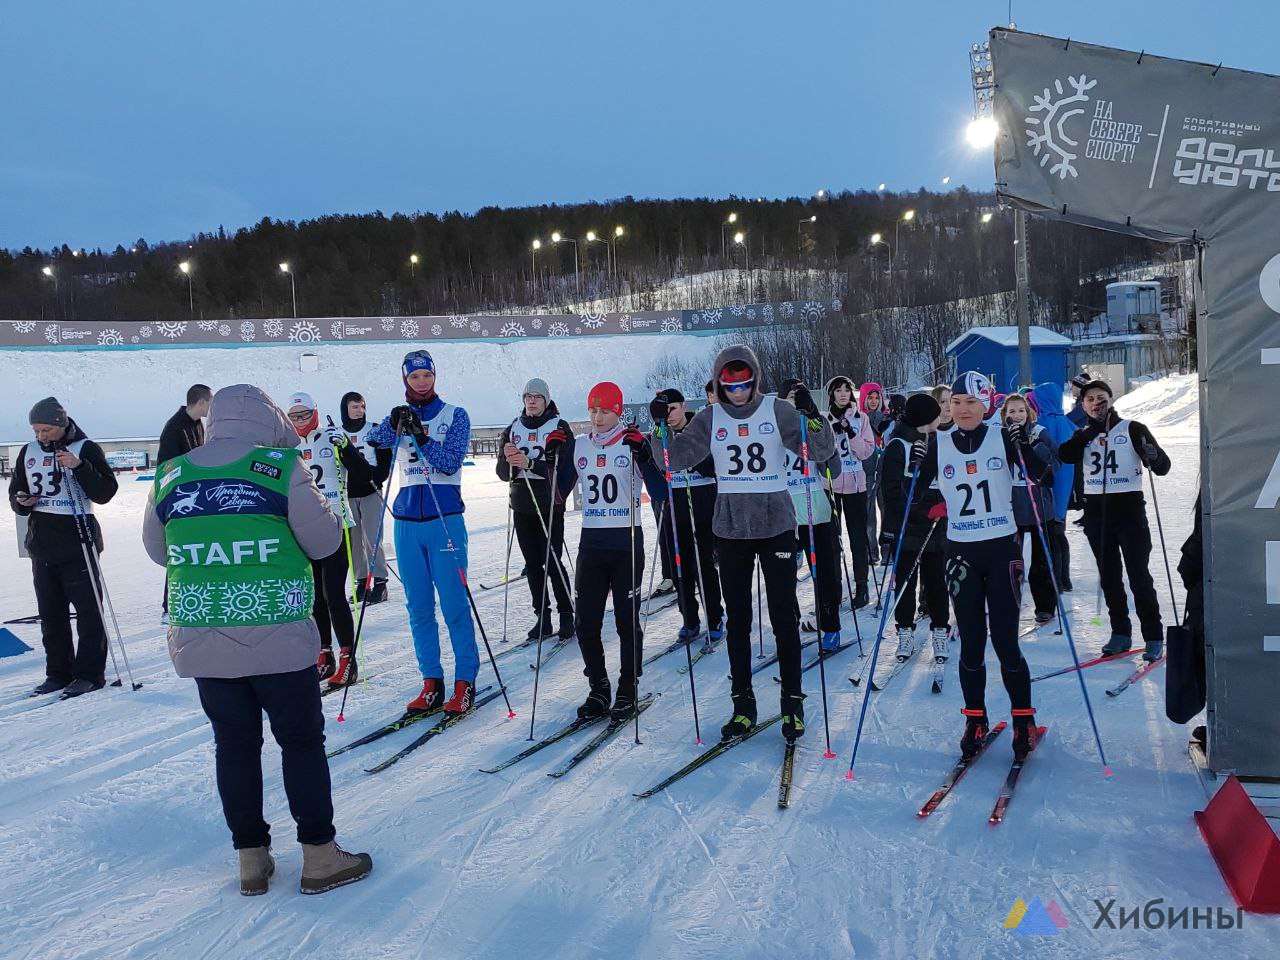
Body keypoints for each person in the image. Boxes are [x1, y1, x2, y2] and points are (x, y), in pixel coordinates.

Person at [143, 384, 372, 896]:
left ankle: (251, 859)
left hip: (203, 631)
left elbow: (158, 551)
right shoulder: (279, 466)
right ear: (269, 421)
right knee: (300, 743)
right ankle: (318, 855)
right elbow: (325, 541)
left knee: (234, 745)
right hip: (279, 631)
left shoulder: (172, 473)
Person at [653, 345, 836, 742]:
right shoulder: (709, 416)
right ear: (720, 383)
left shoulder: (777, 410)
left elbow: (819, 450)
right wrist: (660, 428)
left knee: (784, 616)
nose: (738, 392)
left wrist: (812, 415)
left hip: (776, 526)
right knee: (738, 621)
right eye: (730, 385)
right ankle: (742, 706)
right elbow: (674, 459)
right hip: (732, 528)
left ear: (755, 380)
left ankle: (792, 703)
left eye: (745, 384)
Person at [913, 372, 1050, 760]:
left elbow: (1043, 475)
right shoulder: (938, 443)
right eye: (956, 402)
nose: (962, 409)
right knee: (971, 641)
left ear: (986, 404)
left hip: (1002, 548)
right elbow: (914, 499)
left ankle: (1023, 721)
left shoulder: (1002, 436)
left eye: (971, 402)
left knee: (1006, 641)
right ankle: (975, 718)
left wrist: (1025, 445)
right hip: (961, 552)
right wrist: (920, 472)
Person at [365, 350, 480, 715]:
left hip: (444, 517)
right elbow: (373, 439)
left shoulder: (455, 415)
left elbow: (450, 462)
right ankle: (431, 681)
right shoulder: (399, 417)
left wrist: (422, 437)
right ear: (405, 380)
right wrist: (396, 422)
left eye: (426, 376)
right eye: (414, 377)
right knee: (418, 607)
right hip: (406, 523)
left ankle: (465, 682)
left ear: (434, 376)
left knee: (454, 605)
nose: (421, 382)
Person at [559, 382, 662, 721]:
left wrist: (646, 457)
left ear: (617, 411)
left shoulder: (631, 443)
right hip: (592, 543)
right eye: (593, 410)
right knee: (585, 622)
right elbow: (558, 495)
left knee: (624, 621)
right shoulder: (581, 446)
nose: (598, 417)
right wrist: (554, 459)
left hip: (626, 542)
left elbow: (661, 490)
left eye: (605, 410)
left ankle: (628, 687)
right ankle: (599, 687)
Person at [8, 397, 119, 698]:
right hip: (42, 542)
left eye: (46, 430)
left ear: (61, 424)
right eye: (37, 431)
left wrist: (80, 466)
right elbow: (16, 491)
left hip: (78, 539)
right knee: (51, 613)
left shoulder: (85, 448)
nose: (41, 436)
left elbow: (106, 491)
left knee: (88, 611)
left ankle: (89, 674)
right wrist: (21, 501)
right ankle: (58, 673)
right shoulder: (28, 452)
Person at [1058, 379, 1171, 660]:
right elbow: (1065, 455)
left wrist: (1153, 457)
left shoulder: (1132, 428)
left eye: (1101, 396)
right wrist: (1086, 434)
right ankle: (1120, 632)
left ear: (1111, 399)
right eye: (1090, 399)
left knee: (1139, 576)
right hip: (1097, 514)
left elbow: (1163, 467)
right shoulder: (1083, 434)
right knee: (1109, 577)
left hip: (1130, 512)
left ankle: (1154, 635)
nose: (1097, 402)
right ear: (1083, 405)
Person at [287, 392, 372, 689]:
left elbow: (364, 474)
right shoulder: (289, 447)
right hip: (305, 527)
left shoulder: (330, 437)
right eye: (294, 416)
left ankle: (348, 658)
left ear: (315, 412)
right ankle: (325, 654)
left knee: (334, 594)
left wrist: (346, 447)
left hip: (337, 524)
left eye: (304, 414)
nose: (300, 421)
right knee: (313, 598)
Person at [496, 377, 575, 643]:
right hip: (521, 502)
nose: (531, 401)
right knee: (532, 564)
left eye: (537, 397)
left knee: (552, 560)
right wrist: (509, 460)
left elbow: (566, 470)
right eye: (528, 396)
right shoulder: (513, 428)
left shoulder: (559, 427)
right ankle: (543, 617)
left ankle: (567, 613)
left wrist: (530, 462)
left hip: (549, 500)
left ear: (547, 400)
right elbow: (502, 473)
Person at [649, 387, 724, 642]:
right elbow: (659, 462)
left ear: (683, 406)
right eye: (664, 411)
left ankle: (714, 617)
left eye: (672, 409)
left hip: (702, 499)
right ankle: (689, 618)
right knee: (680, 565)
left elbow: (714, 465)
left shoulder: (700, 427)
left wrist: (693, 459)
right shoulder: (661, 432)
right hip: (676, 499)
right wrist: (660, 430)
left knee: (703, 564)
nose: (669, 415)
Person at [881, 394, 949, 662]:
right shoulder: (898, 444)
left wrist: (944, 505)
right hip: (909, 522)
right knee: (906, 583)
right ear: (925, 418)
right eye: (936, 412)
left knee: (936, 581)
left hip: (937, 520)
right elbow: (892, 493)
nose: (941, 416)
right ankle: (905, 631)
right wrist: (921, 513)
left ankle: (940, 630)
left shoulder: (939, 441)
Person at [779, 379, 844, 650]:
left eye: (800, 397)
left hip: (815, 511)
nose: (796, 402)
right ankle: (788, 627)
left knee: (825, 575)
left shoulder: (816, 424)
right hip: (783, 517)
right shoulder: (773, 429)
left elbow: (835, 468)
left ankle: (830, 626)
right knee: (782, 579)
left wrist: (814, 419)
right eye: (792, 397)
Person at [1000, 393, 1060, 625]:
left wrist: (1038, 453)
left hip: (1038, 503)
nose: (1016, 416)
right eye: (1011, 411)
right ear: (1004, 415)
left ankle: (1045, 605)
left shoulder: (1039, 432)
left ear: (1029, 413)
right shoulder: (999, 435)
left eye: (1021, 411)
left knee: (1042, 559)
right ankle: (1007, 602)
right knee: (1010, 560)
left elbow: (1056, 461)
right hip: (1011, 504)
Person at [824, 375, 874, 608]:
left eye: (847, 390)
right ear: (831, 394)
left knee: (857, 538)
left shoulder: (860, 418)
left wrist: (850, 433)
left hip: (856, 485)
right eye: (838, 390)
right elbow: (817, 452)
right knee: (833, 540)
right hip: (831, 485)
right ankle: (833, 588)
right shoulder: (823, 419)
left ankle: (862, 587)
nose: (843, 394)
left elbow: (866, 452)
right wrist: (831, 434)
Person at [340, 391, 393, 604]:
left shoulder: (374, 430)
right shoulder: (338, 433)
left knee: (373, 538)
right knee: (354, 541)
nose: (359, 411)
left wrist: (374, 478)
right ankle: (361, 582)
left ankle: (380, 583)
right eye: (354, 407)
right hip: (348, 493)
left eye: (362, 406)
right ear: (345, 409)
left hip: (370, 490)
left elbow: (385, 462)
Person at [1031, 381, 1075, 591]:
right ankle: (1065, 578)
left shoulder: (1042, 423)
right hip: (1067, 485)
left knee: (1051, 534)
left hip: (1049, 485)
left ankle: (1056, 579)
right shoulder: (1066, 422)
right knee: (1060, 532)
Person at [860, 381, 889, 561]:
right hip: (867, 472)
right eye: (870, 397)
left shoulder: (888, 418)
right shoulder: (860, 419)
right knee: (869, 516)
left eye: (877, 397)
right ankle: (871, 551)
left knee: (887, 512)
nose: (873, 401)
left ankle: (887, 549)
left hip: (885, 472)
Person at [157, 384, 212, 465]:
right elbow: (167, 465)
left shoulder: (198, 423)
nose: (213, 407)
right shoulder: (174, 427)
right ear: (201, 402)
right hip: (180, 476)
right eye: (211, 403)